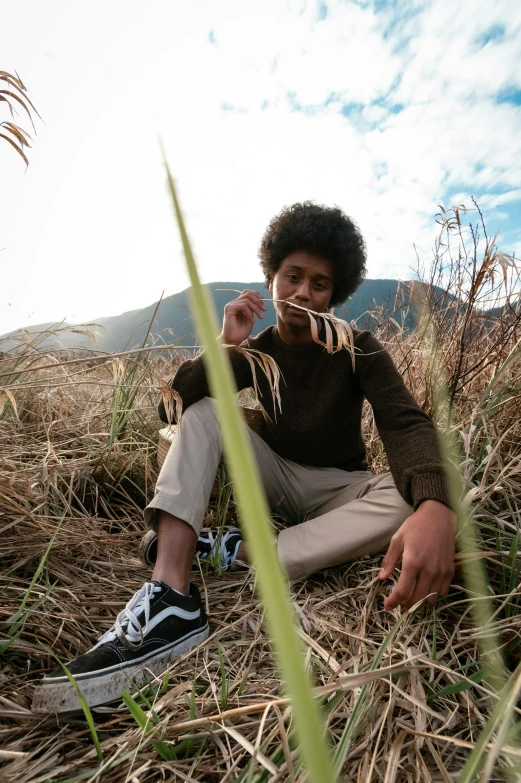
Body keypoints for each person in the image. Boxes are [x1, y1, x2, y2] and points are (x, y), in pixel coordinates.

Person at [32, 202, 456, 713]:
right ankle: (171, 596)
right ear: (272, 278)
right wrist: (224, 347)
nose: (303, 292)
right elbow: (168, 408)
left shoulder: (358, 348)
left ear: (334, 294)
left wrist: (436, 506)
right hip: (271, 473)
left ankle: (247, 552)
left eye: (319, 283)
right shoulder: (254, 350)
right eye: (292, 276)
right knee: (209, 411)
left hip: (340, 487)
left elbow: (405, 423)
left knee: (421, 494)